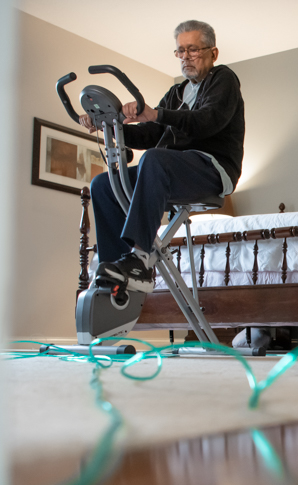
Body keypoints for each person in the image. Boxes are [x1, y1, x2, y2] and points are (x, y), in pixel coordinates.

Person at [81, 19, 244, 293]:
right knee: (104, 184)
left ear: (213, 54)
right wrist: (111, 127)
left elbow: (207, 121)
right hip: (172, 170)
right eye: (180, 51)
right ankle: (115, 268)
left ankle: (140, 260)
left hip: (212, 169)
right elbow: (150, 134)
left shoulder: (223, 79)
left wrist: (155, 113)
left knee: (155, 159)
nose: (185, 57)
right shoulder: (176, 93)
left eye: (193, 50)